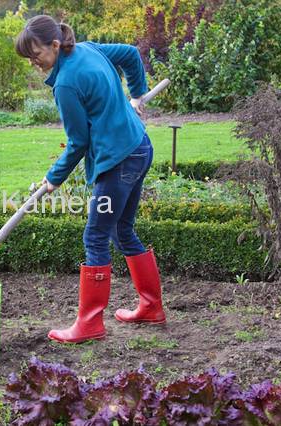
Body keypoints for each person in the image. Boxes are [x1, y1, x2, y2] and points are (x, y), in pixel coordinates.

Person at [15, 15, 166, 344]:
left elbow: (78, 142)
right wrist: (137, 94)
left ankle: (90, 323)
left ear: (55, 44)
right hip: (139, 148)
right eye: (28, 58)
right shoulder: (87, 49)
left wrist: (54, 178)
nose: (33, 63)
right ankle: (151, 307)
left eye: (36, 54)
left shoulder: (66, 84)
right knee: (121, 230)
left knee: (95, 236)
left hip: (120, 161)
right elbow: (130, 54)